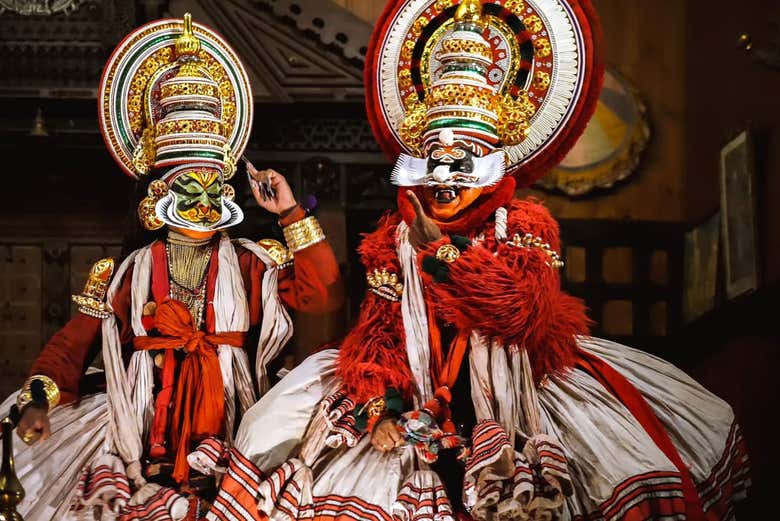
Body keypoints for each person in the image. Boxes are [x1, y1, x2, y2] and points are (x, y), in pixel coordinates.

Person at [207, 1, 749, 520]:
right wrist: (380, 407)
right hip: (418, 400)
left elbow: (521, 315)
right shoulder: (390, 238)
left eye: (460, 163)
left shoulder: (525, 226)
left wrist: (440, 254)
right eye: (433, 162)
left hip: (518, 399)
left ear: (490, 165)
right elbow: (379, 334)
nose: (444, 179)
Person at [2, 13, 343, 520]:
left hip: (233, 430)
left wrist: (291, 213)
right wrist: (38, 400)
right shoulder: (125, 272)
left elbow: (323, 299)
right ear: (159, 197)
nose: (205, 202)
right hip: (140, 431)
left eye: (214, 189)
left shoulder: (255, 263)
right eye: (190, 189)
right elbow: (73, 346)